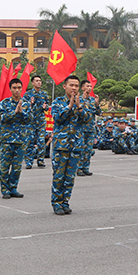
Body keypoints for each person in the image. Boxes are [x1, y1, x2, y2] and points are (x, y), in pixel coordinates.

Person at [50, 75, 91, 215]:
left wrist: (79, 106)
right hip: (61, 145)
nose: (74, 88)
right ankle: (56, 202)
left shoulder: (82, 103)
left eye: (76, 86)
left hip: (76, 145)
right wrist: (69, 106)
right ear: (64, 86)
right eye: (71, 85)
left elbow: (87, 119)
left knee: (70, 177)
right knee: (58, 176)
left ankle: (65, 201)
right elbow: (58, 118)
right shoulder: (58, 102)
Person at [0, 78, 30, 198]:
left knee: (17, 167)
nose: (17, 90)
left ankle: (13, 187)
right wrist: (14, 112)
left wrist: (21, 113)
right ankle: (5, 190)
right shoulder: (4, 103)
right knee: (5, 166)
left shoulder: (26, 104)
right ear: (10, 89)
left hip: (21, 139)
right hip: (7, 139)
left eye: (19, 88)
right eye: (14, 88)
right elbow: (2, 118)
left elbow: (29, 119)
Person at [24, 75, 50, 169]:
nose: (39, 82)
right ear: (32, 83)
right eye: (37, 81)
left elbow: (47, 106)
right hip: (31, 120)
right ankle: (29, 161)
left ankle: (40, 160)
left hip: (41, 120)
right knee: (29, 141)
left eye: (40, 80)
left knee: (41, 141)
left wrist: (45, 107)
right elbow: (24, 107)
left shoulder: (44, 94)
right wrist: (30, 103)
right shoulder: (28, 94)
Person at [77, 79, 98, 176]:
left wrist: (97, 104)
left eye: (90, 86)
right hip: (81, 128)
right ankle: (79, 168)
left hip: (90, 128)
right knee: (81, 148)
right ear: (82, 88)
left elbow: (98, 112)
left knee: (89, 149)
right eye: (87, 86)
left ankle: (86, 167)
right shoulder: (78, 99)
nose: (89, 88)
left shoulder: (93, 100)